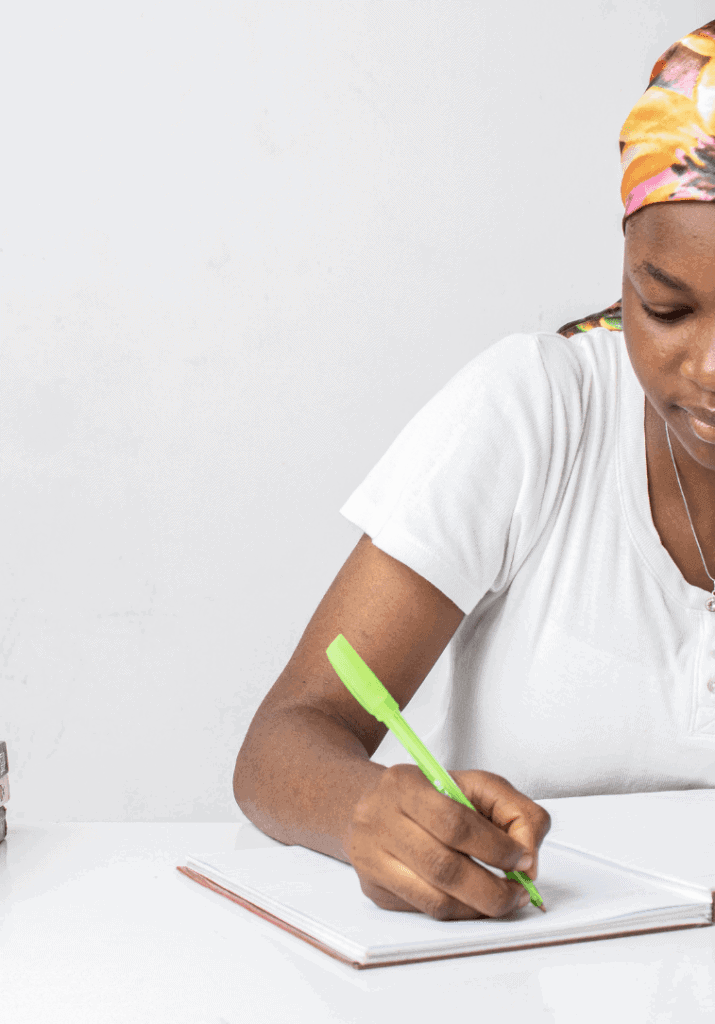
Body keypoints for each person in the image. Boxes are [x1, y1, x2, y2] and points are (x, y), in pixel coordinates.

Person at [234, 20, 715, 922]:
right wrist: (365, 813)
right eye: (665, 306)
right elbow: (284, 740)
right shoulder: (534, 412)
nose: (706, 367)